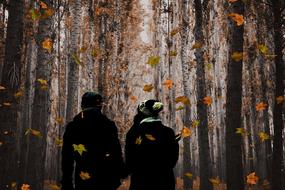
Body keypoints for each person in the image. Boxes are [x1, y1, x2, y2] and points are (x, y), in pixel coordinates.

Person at [61, 91, 126, 190]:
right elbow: (116, 153)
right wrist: (120, 173)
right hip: (106, 178)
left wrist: (67, 182)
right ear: (99, 106)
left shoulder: (73, 126)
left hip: (83, 179)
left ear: (83, 105)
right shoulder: (108, 125)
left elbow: (67, 158)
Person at [125, 99, 179, 190]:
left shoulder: (133, 132)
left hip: (140, 182)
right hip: (165, 182)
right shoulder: (168, 132)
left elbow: (130, 161)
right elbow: (173, 159)